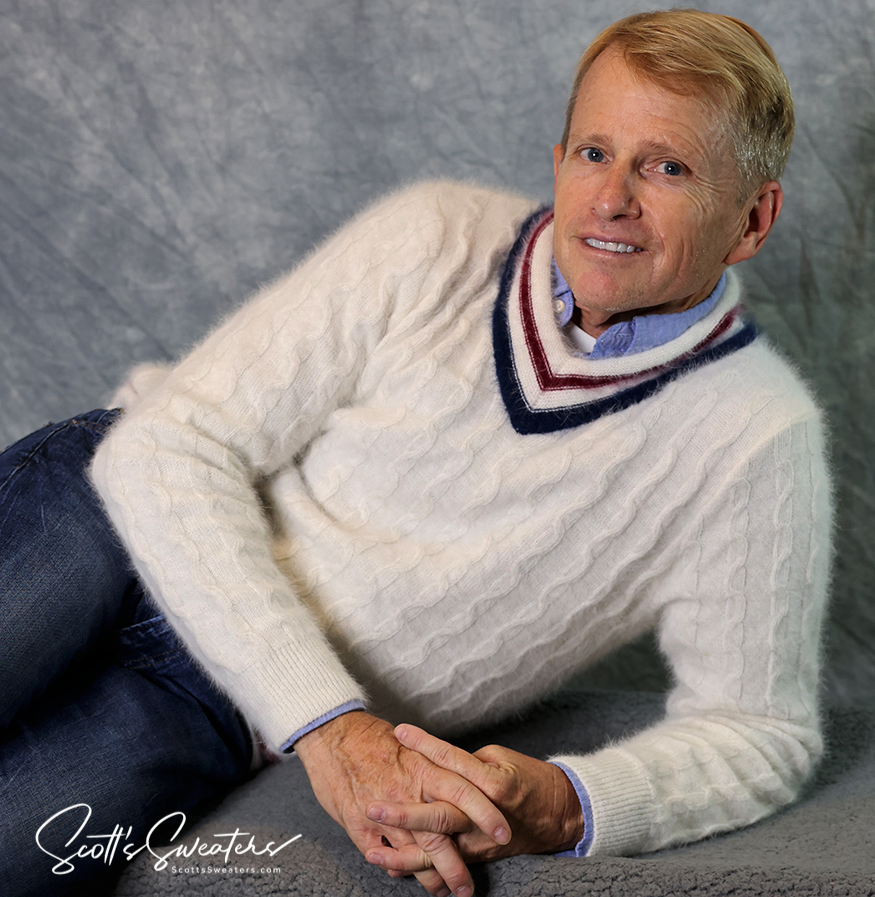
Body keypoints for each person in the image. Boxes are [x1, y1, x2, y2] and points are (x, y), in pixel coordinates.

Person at [0, 9, 830, 897]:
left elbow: (759, 730)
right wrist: (331, 728)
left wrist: (564, 800)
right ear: (557, 161)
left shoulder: (755, 437)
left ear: (751, 217)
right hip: (112, 527)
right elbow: (163, 447)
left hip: (210, 709)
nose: (611, 196)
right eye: (593, 152)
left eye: (666, 166)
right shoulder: (436, 236)